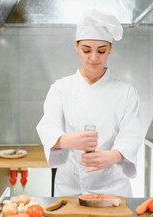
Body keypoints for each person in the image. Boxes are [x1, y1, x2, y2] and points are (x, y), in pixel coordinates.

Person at [36, 9, 143, 197]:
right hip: (70, 189)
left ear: (110, 48)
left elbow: (131, 135)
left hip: (113, 189)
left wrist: (113, 156)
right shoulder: (61, 88)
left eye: (101, 51)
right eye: (86, 50)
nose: (93, 57)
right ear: (76, 47)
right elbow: (48, 127)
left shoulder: (126, 92)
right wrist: (68, 140)